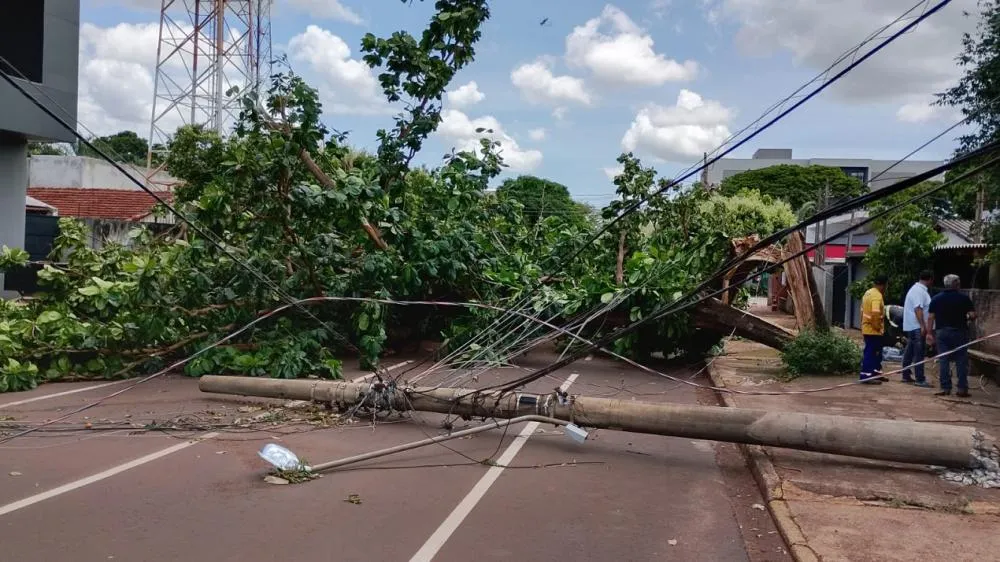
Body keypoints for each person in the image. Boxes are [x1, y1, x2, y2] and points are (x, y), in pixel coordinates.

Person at [927, 274, 976, 397]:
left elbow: (931, 317)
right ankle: (962, 389)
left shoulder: (936, 299)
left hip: (942, 332)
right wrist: (968, 317)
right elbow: (973, 315)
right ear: (956, 284)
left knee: (944, 359)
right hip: (959, 332)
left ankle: (945, 387)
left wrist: (929, 333)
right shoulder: (964, 299)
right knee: (961, 360)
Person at [901, 270, 933, 387]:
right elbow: (918, 309)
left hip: (913, 326)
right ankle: (920, 378)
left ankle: (906, 374)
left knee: (910, 350)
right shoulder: (918, 291)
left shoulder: (917, 290)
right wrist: (922, 326)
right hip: (916, 326)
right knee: (919, 353)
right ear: (930, 279)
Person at [860, 274, 889, 384]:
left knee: (876, 353)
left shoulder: (868, 293)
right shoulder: (877, 296)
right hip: (873, 330)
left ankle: (875, 372)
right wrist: (878, 328)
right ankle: (867, 376)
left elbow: (862, 311)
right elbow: (875, 314)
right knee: (871, 353)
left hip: (867, 328)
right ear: (884, 285)